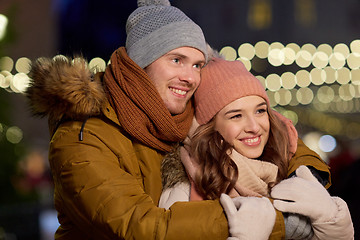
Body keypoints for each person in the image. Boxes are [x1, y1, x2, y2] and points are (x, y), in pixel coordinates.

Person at [26, 0, 333, 239]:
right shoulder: (84, 134)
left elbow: (269, 126)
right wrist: (273, 220)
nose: (190, 77)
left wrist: (307, 176)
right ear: (141, 62)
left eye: (198, 64)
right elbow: (141, 227)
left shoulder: (183, 109)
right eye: (177, 60)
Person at [160, 57, 354, 239]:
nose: (254, 127)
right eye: (236, 116)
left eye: (260, 111)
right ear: (210, 127)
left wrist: (332, 222)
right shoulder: (187, 189)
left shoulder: (286, 170)